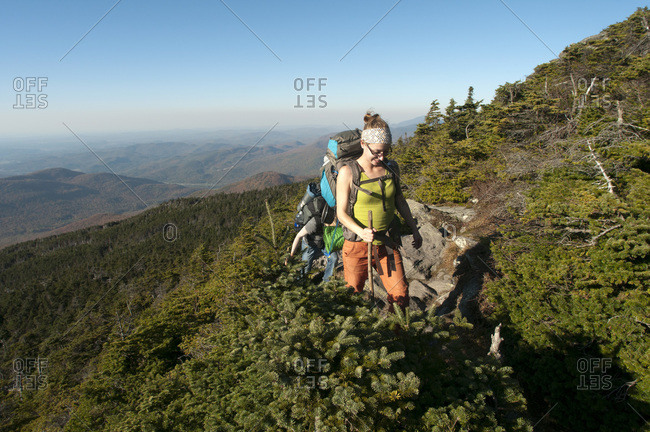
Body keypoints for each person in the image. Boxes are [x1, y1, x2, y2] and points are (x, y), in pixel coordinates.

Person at [336, 111, 423, 310]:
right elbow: (341, 213)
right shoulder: (348, 172)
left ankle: (397, 335)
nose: (381, 156)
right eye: (376, 152)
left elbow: (400, 201)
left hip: (387, 242)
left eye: (385, 151)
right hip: (357, 245)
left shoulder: (392, 168)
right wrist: (361, 231)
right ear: (363, 144)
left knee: (400, 295)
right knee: (353, 295)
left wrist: (414, 228)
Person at [286, 214, 342, 282]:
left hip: (324, 242)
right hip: (309, 244)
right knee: (305, 265)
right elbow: (298, 236)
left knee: (334, 258)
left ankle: (327, 280)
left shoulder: (333, 223)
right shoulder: (314, 222)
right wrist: (291, 254)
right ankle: (303, 283)